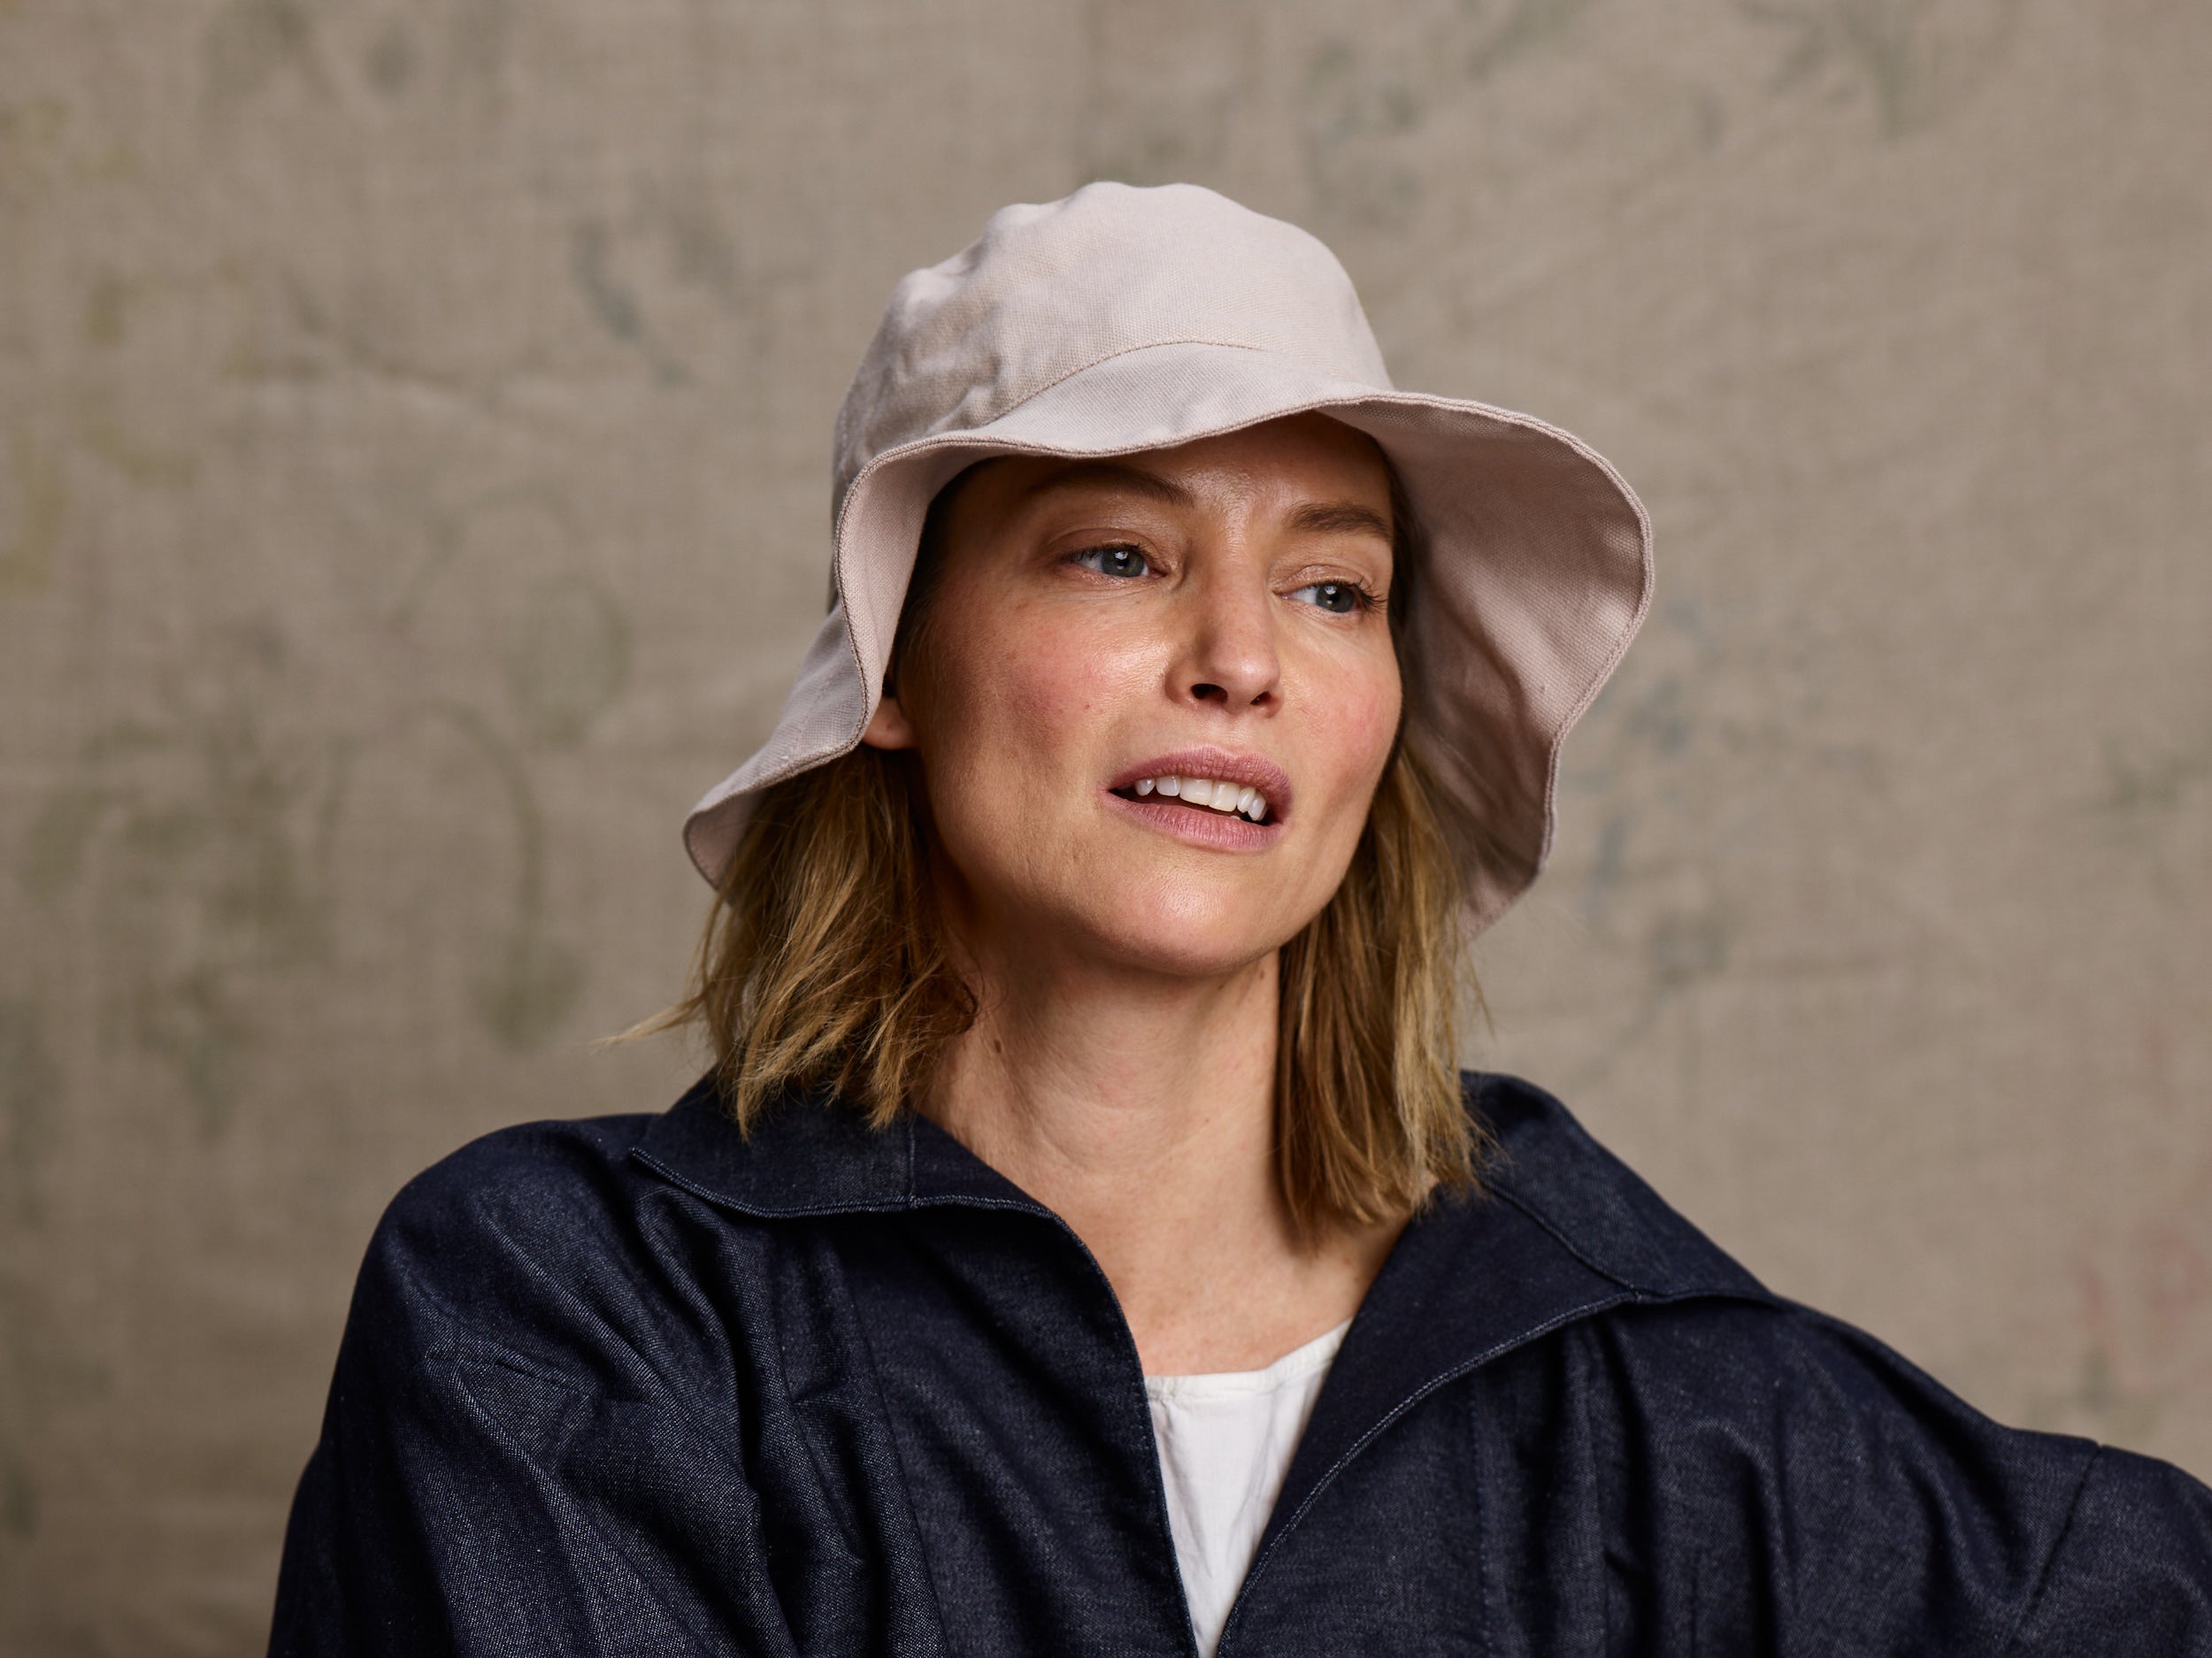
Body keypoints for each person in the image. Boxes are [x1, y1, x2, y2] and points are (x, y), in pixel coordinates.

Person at [268, 182, 2212, 1656]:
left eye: (1332, 589)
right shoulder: (564, 1323)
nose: (1236, 660)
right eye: (1117, 552)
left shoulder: (1644, 1380)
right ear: (895, 667)